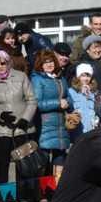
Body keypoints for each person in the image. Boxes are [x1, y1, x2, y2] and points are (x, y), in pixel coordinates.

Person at [0, 50, 37, 184]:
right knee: (2, 165)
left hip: (22, 127)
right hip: (1, 130)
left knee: (24, 162)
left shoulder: (21, 77)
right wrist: (1, 115)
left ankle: (24, 193)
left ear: (9, 63)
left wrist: (25, 119)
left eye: (3, 63)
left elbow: (31, 100)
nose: (1, 66)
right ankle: (3, 195)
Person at [31, 50, 71, 180]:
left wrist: (67, 103)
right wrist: (58, 103)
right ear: (40, 64)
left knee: (60, 156)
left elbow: (68, 98)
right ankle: (43, 191)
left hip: (61, 124)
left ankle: (57, 188)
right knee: (44, 158)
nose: (49, 64)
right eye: (45, 62)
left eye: (51, 61)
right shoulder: (37, 80)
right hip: (45, 124)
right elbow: (37, 103)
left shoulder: (61, 78)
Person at [68, 63, 99, 141]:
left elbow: (97, 109)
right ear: (78, 77)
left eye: (88, 76)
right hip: (77, 130)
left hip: (91, 130)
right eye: (83, 75)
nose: (86, 78)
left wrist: (90, 96)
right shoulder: (71, 91)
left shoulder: (94, 92)